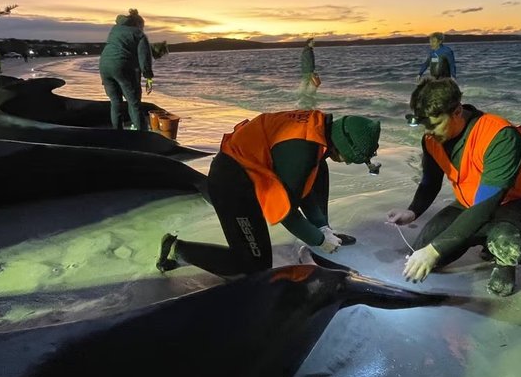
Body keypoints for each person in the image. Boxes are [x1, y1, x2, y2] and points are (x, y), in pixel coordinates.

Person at [156, 110, 382, 278]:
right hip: (232, 184)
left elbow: (303, 187)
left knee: (319, 171)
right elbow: (285, 210)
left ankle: (184, 251)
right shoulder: (302, 151)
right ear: (344, 146)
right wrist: (318, 240)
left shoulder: (318, 129)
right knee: (253, 267)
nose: (346, 163)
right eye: (350, 159)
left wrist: (321, 225)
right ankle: (180, 251)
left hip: (250, 174)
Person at [388, 78, 521, 296]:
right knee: (422, 250)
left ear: (457, 111)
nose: (429, 132)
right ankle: (486, 239)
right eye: (425, 125)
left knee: (504, 241)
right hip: (469, 203)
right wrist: (412, 211)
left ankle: (503, 257)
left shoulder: (500, 135)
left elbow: (487, 204)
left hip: (518, 204)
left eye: (435, 124)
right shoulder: (431, 140)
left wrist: (435, 250)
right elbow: (430, 182)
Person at [98, 9, 154, 130]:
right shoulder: (139, 34)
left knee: (115, 101)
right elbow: (145, 57)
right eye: (142, 26)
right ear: (138, 24)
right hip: (122, 66)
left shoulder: (114, 30)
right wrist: (148, 77)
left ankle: (118, 133)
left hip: (104, 66)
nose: (142, 29)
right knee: (134, 103)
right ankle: (142, 135)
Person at [298, 37, 320, 109]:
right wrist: (311, 71)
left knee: (307, 83)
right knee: (315, 83)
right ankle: (308, 97)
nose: (314, 43)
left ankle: (304, 96)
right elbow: (308, 62)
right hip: (308, 71)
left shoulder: (306, 50)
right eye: (312, 42)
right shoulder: (308, 51)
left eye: (314, 42)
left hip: (306, 71)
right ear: (308, 43)